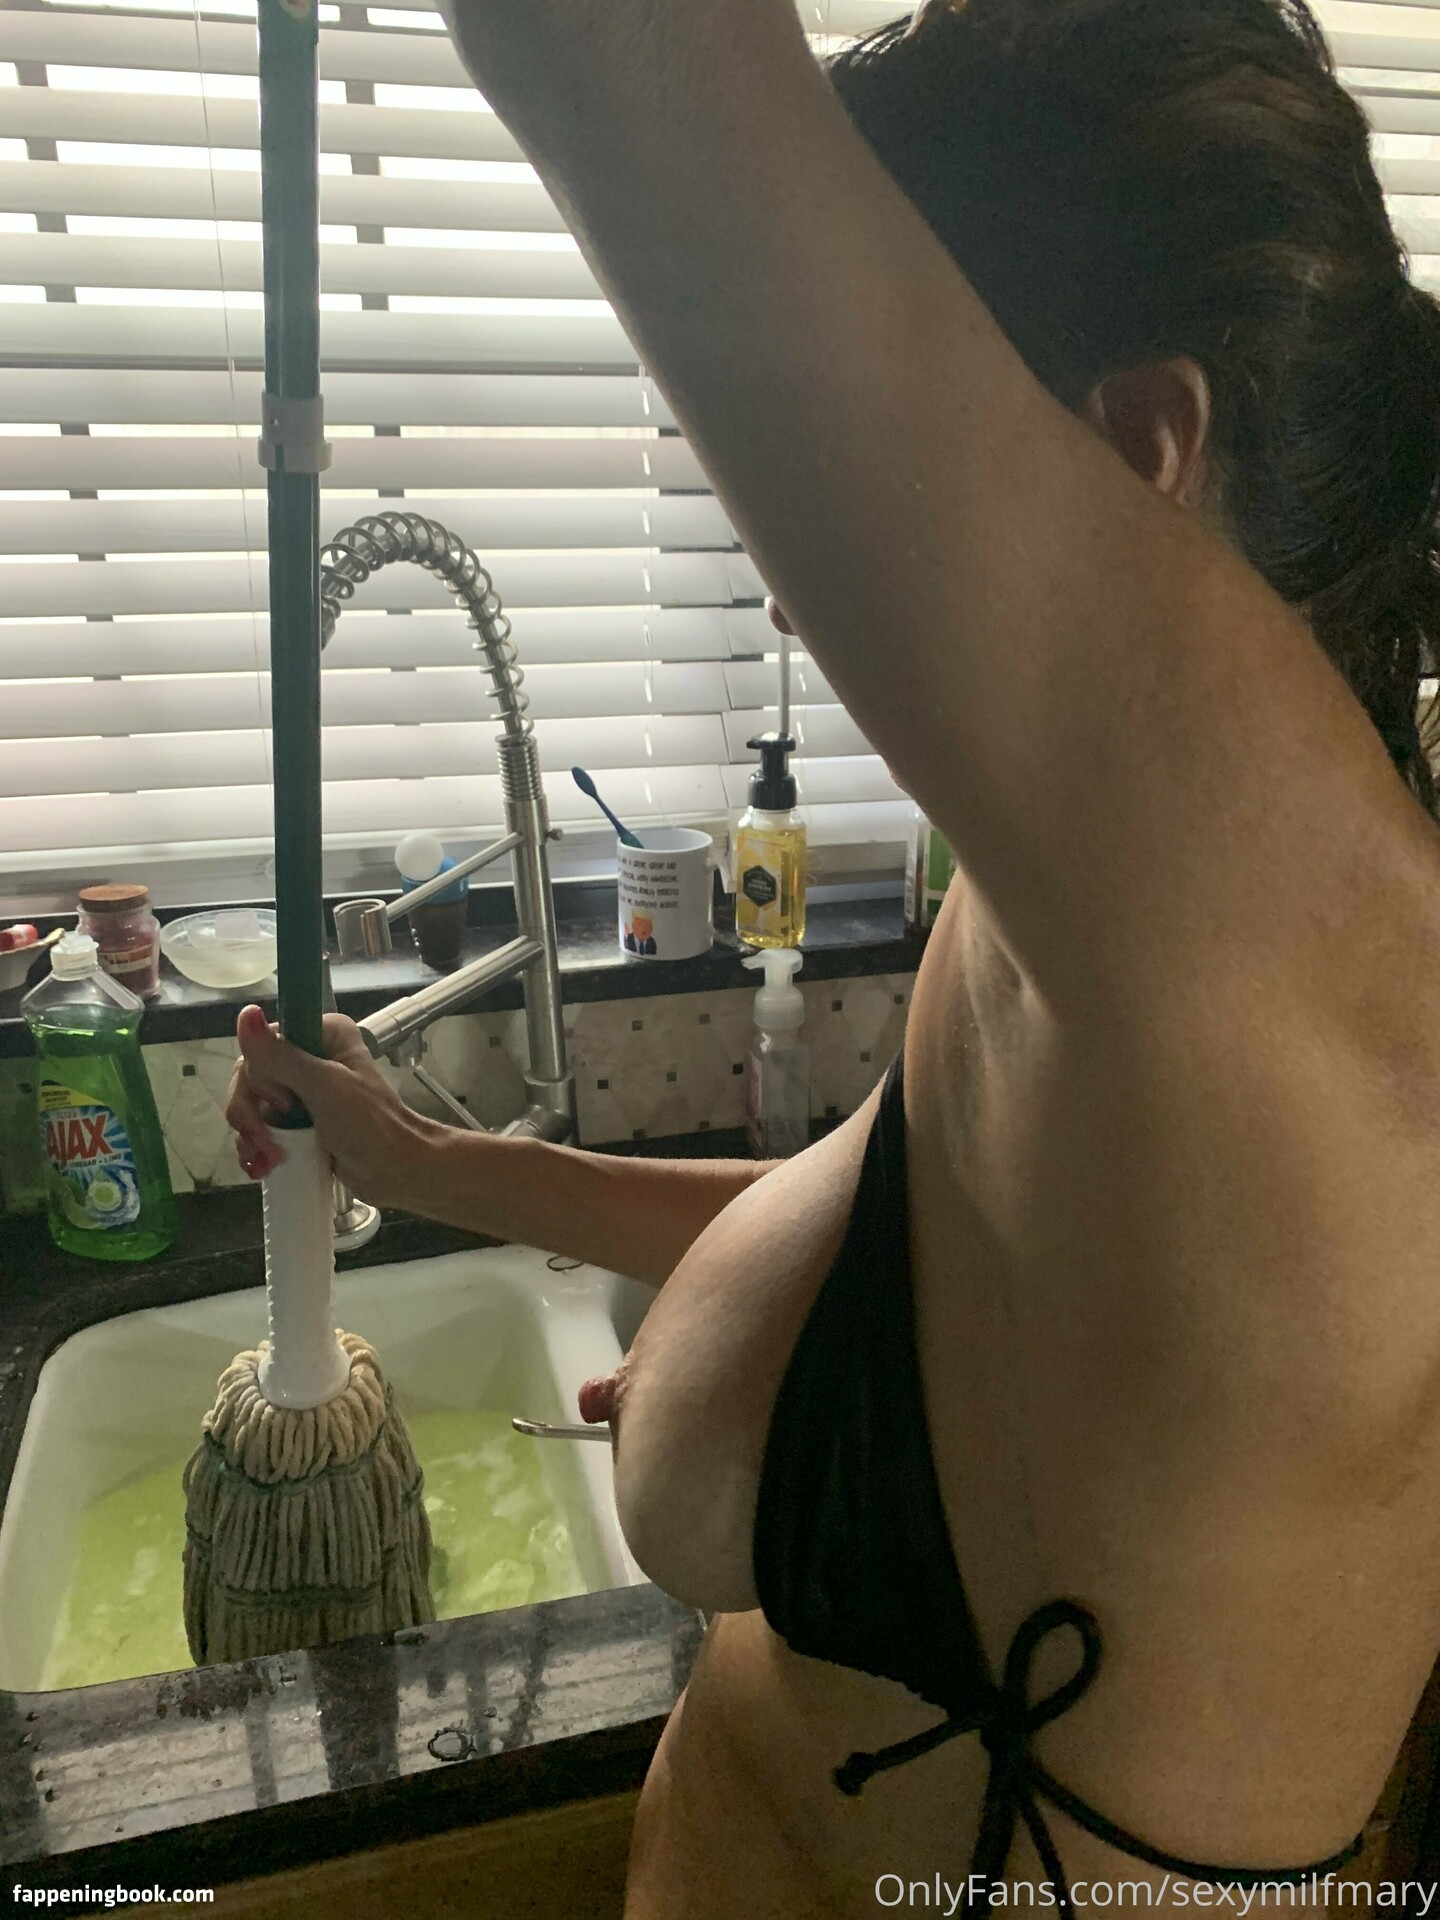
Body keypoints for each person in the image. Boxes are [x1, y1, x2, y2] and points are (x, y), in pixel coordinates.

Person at [229, 1, 1440, 1911]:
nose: (798, 594)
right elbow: (926, 1239)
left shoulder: (1307, 953)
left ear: (1143, 451)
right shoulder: (1095, 949)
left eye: (853, 480)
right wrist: (440, 1167)